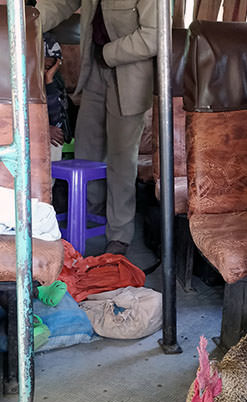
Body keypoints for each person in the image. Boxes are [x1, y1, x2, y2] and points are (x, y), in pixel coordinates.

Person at [35, 0, 158, 256]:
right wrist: (28, 21)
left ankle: (119, 236)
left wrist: (108, 53)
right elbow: (61, 3)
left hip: (129, 73)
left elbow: (154, 36)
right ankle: (88, 218)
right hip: (94, 72)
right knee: (86, 150)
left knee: (121, 159)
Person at [43, 32, 74, 162]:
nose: (45, 71)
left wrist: (49, 81)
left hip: (41, 131)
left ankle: (48, 182)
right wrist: (42, 129)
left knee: (55, 137)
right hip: (20, 133)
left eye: (50, 67)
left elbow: (57, 119)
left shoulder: (54, 80)